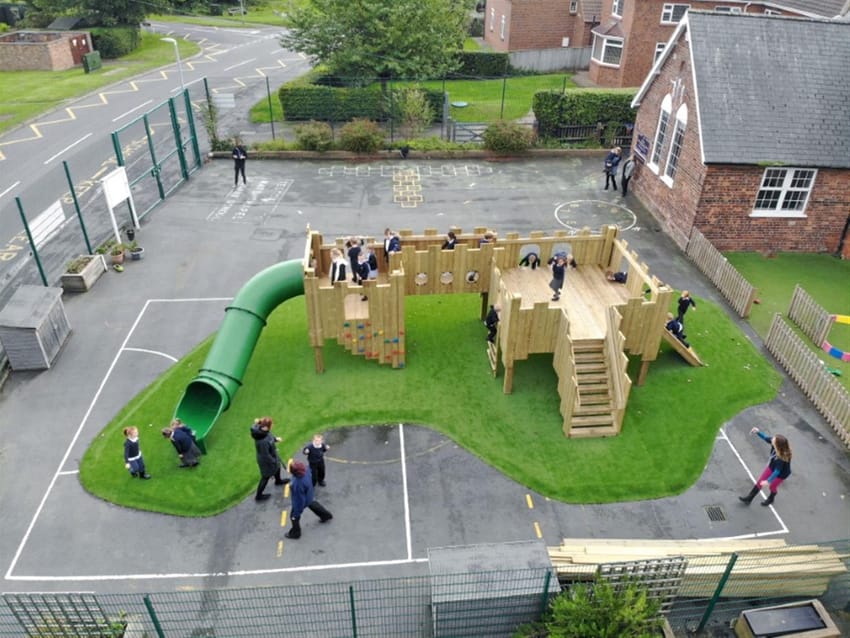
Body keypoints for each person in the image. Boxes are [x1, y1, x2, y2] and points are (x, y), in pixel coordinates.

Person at [739, 427, 792, 507]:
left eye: (774, 439)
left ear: (777, 444)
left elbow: (777, 471)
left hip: (782, 474)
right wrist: (758, 432)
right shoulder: (776, 445)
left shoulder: (781, 457)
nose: (772, 439)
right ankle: (749, 498)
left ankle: (771, 498)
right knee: (760, 481)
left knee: (772, 486)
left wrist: (768, 481)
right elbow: (766, 438)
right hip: (772, 466)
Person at [284, 461, 333, 539]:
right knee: (312, 503)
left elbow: (299, 500)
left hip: (303, 499)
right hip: (309, 493)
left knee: (293, 516)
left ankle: (296, 533)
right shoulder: (307, 470)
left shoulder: (297, 484)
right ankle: (326, 515)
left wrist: (297, 512)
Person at [250, 416, 288, 501]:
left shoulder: (264, 431)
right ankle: (258, 496)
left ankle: (278, 481)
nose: (272, 427)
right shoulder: (262, 441)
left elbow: (269, 437)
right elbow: (265, 455)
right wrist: (273, 461)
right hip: (266, 461)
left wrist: (275, 439)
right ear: (265, 427)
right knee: (265, 477)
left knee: (277, 467)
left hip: (272, 455)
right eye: (271, 425)